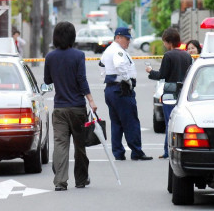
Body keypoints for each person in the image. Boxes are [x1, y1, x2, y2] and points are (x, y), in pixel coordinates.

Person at [44, 21, 98, 191]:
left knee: (60, 144)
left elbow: (47, 80)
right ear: (73, 37)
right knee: (80, 145)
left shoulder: (50, 57)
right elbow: (81, 79)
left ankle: (60, 182)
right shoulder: (78, 55)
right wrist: (90, 100)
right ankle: (81, 179)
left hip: (59, 108)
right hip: (77, 107)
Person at [100, 27, 153, 161]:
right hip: (121, 89)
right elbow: (120, 66)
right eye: (126, 38)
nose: (128, 41)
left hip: (111, 89)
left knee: (116, 122)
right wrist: (128, 80)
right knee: (131, 122)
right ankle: (136, 152)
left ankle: (118, 153)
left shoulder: (109, 50)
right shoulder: (118, 51)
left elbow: (102, 67)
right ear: (118, 37)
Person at [146, 28, 193, 159]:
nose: (164, 45)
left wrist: (150, 71)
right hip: (184, 93)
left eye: (164, 43)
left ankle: (168, 151)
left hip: (170, 94)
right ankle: (180, 149)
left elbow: (162, 75)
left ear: (169, 42)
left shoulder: (168, 56)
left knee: (169, 123)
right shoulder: (187, 55)